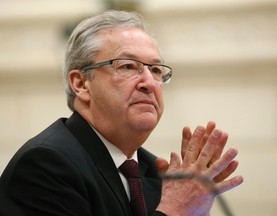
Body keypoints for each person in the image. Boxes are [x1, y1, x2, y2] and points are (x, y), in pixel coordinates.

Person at [0, 10, 243, 216]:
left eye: (156, 70)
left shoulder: (154, 172)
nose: (149, 82)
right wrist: (175, 210)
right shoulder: (46, 165)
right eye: (128, 66)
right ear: (81, 84)